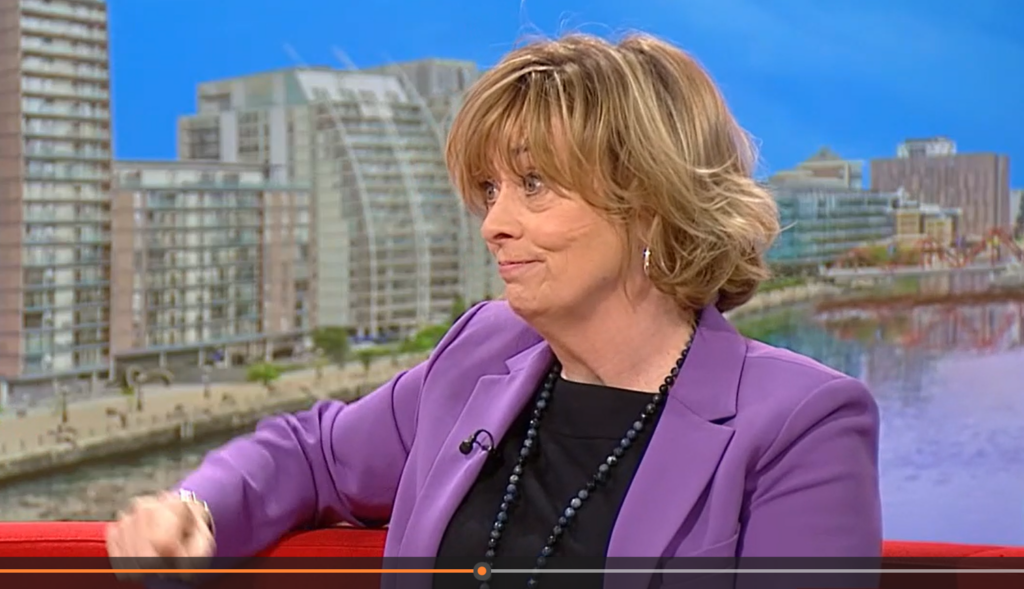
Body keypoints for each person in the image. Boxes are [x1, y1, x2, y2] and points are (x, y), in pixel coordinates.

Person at [106, 31, 882, 585]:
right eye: (489, 190)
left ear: (649, 202)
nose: (494, 222)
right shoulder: (482, 351)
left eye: (533, 185)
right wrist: (194, 507)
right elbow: (312, 452)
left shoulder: (801, 425)